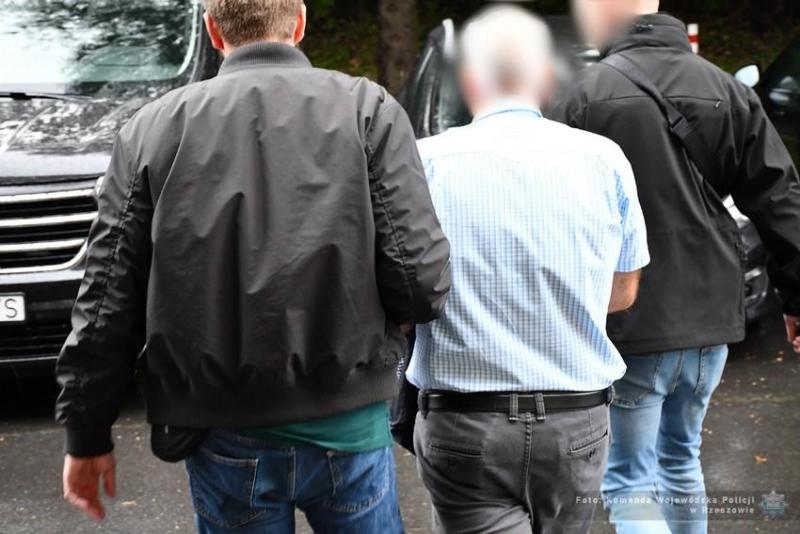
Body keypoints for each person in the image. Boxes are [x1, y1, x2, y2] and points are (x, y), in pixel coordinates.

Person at [55, 0, 451, 532]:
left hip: (223, 427)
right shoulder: (367, 109)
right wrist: (385, 345)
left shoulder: (154, 127)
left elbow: (107, 299)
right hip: (347, 418)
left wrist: (86, 433)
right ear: (300, 22)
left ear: (212, 31)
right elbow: (420, 280)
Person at [548, 1, 800, 533]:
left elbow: (550, 216)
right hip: (711, 318)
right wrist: (797, 299)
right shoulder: (727, 89)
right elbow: (779, 198)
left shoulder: (580, 97)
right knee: (682, 460)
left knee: (628, 478)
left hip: (630, 319)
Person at [407, 6, 651, 534]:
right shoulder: (604, 159)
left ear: (468, 79)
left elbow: (400, 288)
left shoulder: (423, 162)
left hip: (464, 425)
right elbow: (624, 290)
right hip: (576, 424)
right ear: (545, 76)